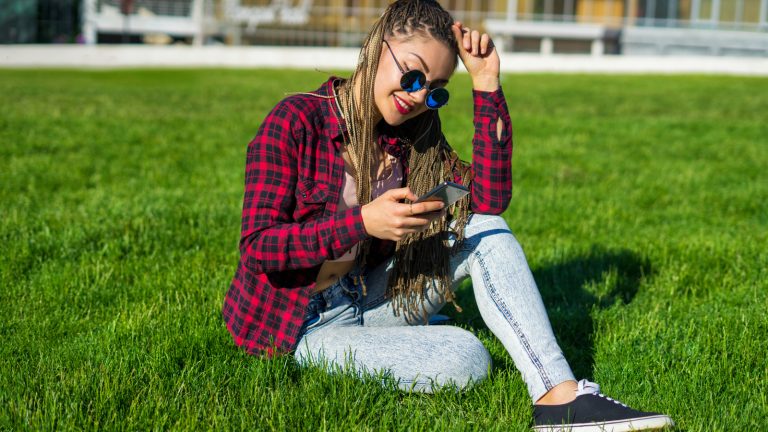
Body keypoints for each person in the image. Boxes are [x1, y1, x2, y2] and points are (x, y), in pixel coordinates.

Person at [222, 1, 675, 430]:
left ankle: (558, 399)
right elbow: (259, 246)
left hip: (363, 296)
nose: (418, 96)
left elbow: (490, 199)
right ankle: (366, 349)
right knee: (467, 358)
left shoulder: (411, 134)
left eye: (435, 90)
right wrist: (362, 222)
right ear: (379, 47)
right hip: (300, 325)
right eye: (413, 74)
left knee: (485, 229)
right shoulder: (296, 120)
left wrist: (487, 84)